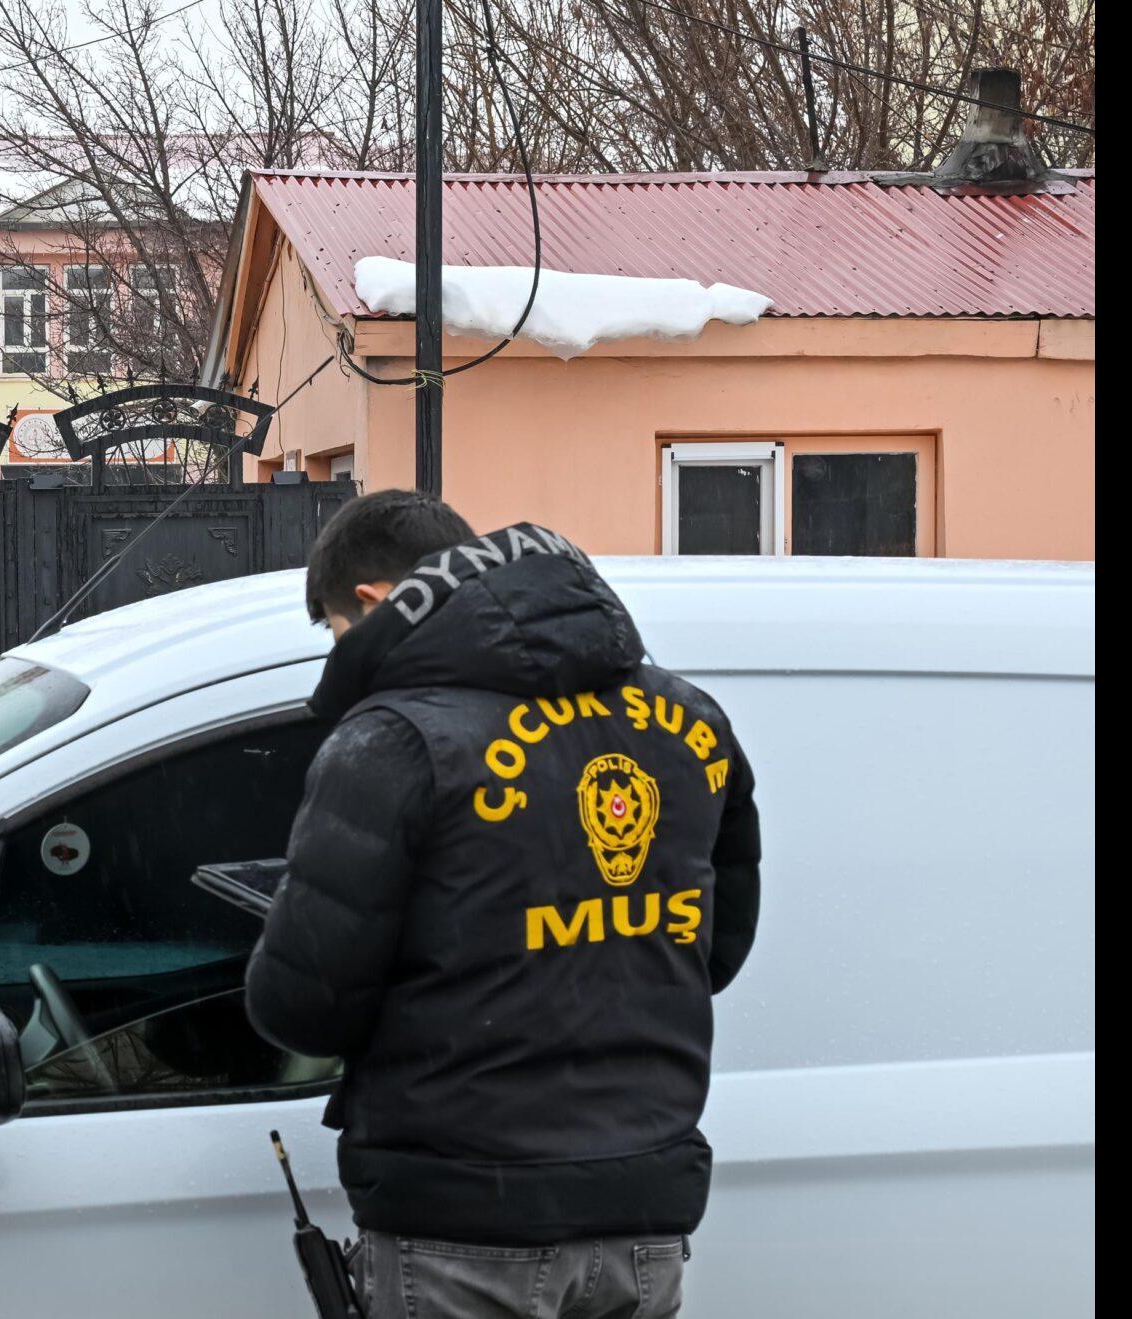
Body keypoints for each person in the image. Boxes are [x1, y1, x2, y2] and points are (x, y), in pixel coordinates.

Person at [244, 491, 762, 1319]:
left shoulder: (393, 739)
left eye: (336, 629)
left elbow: (303, 1009)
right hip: (642, 1209)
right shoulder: (689, 719)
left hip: (459, 1220)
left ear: (374, 602)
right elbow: (715, 951)